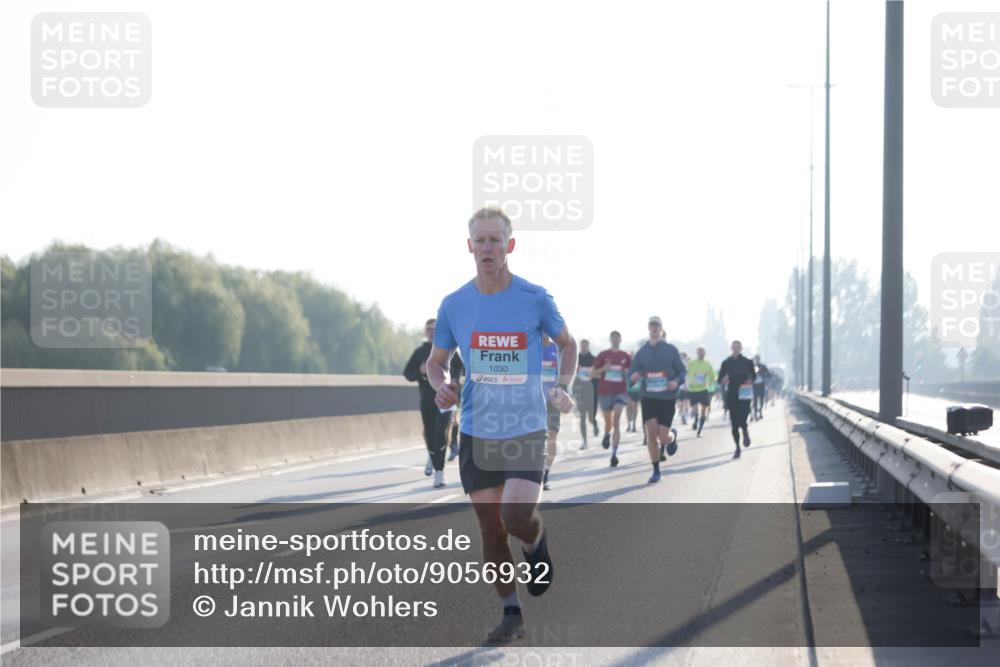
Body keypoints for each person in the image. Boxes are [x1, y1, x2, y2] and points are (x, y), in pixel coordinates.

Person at [426, 207, 576, 645]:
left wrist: (562, 386)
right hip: (476, 427)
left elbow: (567, 345)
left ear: (510, 246)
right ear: (469, 246)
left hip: (525, 426)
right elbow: (437, 364)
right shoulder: (454, 304)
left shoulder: (535, 297)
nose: (487, 248)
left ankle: (535, 540)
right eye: (480, 241)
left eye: (496, 241)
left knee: (515, 517)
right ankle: (511, 612)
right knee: (490, 527)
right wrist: (441, 388)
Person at [403, 318, 464, 488]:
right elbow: (408, 373)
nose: (432, 331)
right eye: (429, 329)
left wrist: (453, 379)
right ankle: (433, 457)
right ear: (425, 332)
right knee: (430, 433)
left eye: (435, 328)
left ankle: (439, 472)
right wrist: (421, 372)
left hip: (445, 400)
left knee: (441, 432)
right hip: (427, 400)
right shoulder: (420, 353)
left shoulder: (448, 349)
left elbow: (460, 367)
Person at [628, 317, 686, 483]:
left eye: (657, 325)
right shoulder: (641, 352)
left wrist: (676, 382)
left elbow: (682, 372)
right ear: (648, 328)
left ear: (661, 329)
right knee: (651, 434)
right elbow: (630, 376)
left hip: (667, 398)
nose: (654, 328)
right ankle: (656, 470)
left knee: (663, 437)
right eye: (651, 325)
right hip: (648, 397)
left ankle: (672, 436)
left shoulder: (671, 350)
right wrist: (633, 377)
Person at [591, 330, 632, 467]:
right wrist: (604, 368)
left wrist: (627, 373)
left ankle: (614, 454)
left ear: (620, 340)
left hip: (620, 392)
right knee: (608, 424)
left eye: (617, 337)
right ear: (610, 339)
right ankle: (607, 434)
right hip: (605, 392)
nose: (615, 340)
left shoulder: (626, 356)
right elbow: (591, 374)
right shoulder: (603, 355)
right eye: (613, 337)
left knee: (616, 421)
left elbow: (632, 376)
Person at [718, 340, 756, 458]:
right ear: (731, 348)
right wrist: (723, 380)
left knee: (742, 419)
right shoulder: (726, 362)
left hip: (744, 392)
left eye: (738, 347)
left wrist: (750, 380)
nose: (736, 349)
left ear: (741, 349)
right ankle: (737, 448)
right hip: (732, 393)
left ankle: (745, 432)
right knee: (734, 423)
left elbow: (753, 376)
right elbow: (719, 379)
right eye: (734, 347)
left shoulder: (748, 362)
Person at [542, 334, 561, 489]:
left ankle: (546, 474)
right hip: (534, 399)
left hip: (553, 399)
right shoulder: (531, 346)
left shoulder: (557, 348)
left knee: (552, 436)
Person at [686, 347, 716, 437]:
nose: (701, 354)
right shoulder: (691, 363)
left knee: (703, 410)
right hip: (693, 389)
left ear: (705, 353)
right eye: (699, 352)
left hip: (703, 389)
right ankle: (695, 419)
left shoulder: (708, 364)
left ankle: (699, 430)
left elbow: (713, 376)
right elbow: (686, 374)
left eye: (702, 352)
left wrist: (710, 383)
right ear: (697, 353)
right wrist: (688, 384)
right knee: (695, 408)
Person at [573, 339, 598, 450]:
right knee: (582, 417)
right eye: (581, 345)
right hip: (580, 391)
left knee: (591, 417)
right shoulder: (575, 359)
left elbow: (598, 375)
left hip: (592, 391)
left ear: (588, 347)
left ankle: (594, 423)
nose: (583, 347)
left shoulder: (594, 359)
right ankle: (584, 441)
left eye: (585, 346)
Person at [752, 355, 770, 421]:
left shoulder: (763, 366)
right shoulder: (751, 366)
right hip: (754, 385)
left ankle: (760, 412)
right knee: (755, 400)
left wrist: (762, 373)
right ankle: (756, 414)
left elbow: (768, 374)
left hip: (761, 385)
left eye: (757, 359)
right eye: (755, 359)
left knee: (761, 399)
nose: (756, 360)